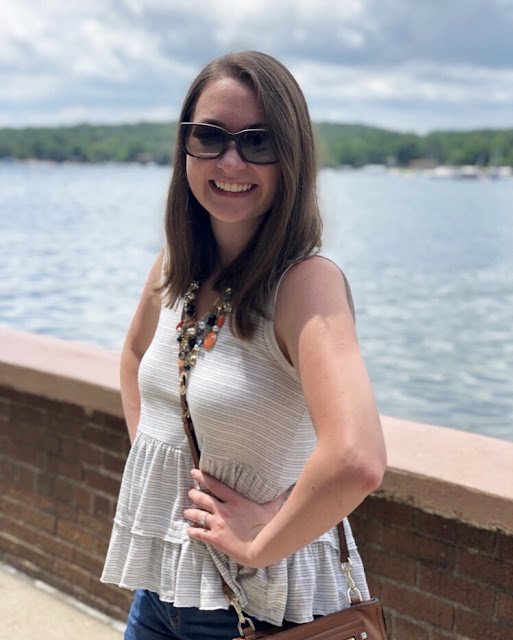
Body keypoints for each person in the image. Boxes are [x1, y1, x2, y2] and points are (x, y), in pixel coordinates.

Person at [101, 50, 387, 640]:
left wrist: (260, 541)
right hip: (163, 590)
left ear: (292, 159)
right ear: (186, 148)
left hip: (255, 608)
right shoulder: (176, 265)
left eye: (258, 143)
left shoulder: (306, 284)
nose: (231, 160)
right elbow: (133, 359)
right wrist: (164, 469)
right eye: (211, 136)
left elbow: (356, 459)